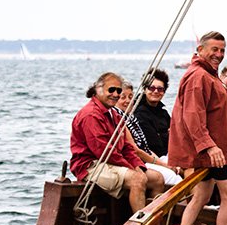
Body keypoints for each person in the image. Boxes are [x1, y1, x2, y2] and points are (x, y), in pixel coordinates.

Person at [168, 31, 227, 225]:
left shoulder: (207, 75)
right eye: (214, 50)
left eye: (222, 50)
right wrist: (209, 146)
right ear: (200, 50)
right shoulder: (199, 76)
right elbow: (192, 115)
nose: (219, 55)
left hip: (212, 151)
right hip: (217, 152)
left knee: (201, 197)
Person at [70, 72, 164, 211]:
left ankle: (155, 223)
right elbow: (104, 151)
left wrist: (137, 165)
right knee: (137, 180)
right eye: (111, 90)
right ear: (98, 90)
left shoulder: (114, 114)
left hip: (112, 162)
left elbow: (126, 147)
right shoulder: (91, 115)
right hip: (92, 165)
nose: (115, 94)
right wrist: (132, 169)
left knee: (157, 179)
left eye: (118, 90)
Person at [114, 81, 182, 186]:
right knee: (174, 178)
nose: (127, 101)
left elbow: (145, 147)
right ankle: (192, 202)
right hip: (135, 162)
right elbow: (136, 150)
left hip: (151, 158)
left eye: (130, 97)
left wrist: (163, 163)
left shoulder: (131, 118)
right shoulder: (119, 118)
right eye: (123, 97)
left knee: (181, 166)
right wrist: (164, 165)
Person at [134, 69, 171, 159]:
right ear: (144, 89)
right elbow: (154, 144)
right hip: (153, 158)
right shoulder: (139, 112)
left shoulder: (164, 113)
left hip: (167, 153)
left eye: (160, 89)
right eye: (151, 88)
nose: (155, 91)